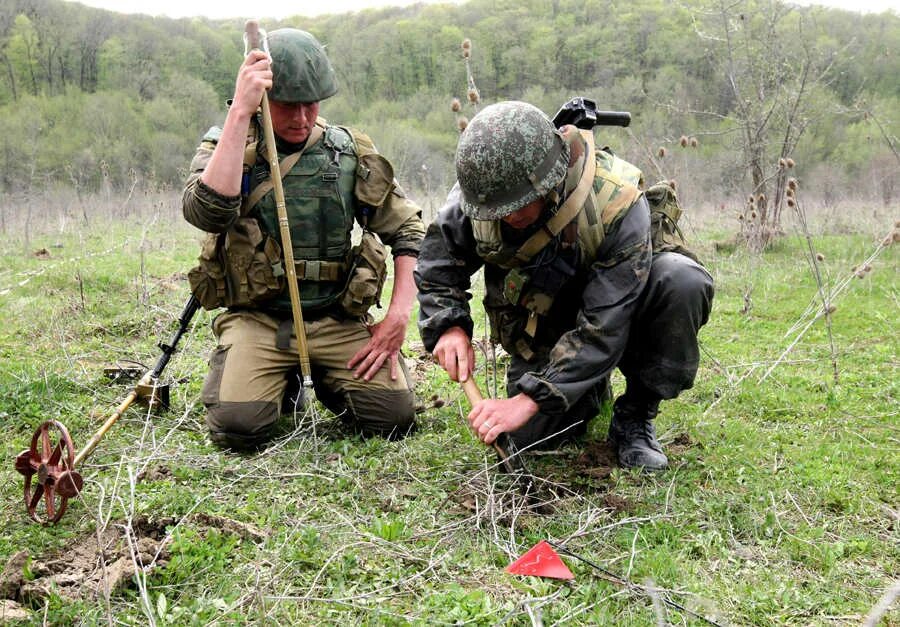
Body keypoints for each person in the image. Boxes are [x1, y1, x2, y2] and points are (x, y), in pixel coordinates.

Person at [415, 101, 713, 471]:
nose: (507, 216)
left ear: (550, 181)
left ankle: (636, 415)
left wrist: (529, 400)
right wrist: (448, 325)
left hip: (619, 315)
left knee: (681, 280)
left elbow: (605, 325)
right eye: (498, 210)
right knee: (528, 437)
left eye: (518, 205)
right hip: (547, 327)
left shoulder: (616, 204)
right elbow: (439, 263)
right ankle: (586, 388)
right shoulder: (484, 193)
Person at [183, 28, 425, 450]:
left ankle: (327, 375)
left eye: (310, 104)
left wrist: (398, 316)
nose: (301, 118)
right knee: (237, 427)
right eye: (287, 105)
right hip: (260, 319)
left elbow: (409, 232)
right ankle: (280, 379)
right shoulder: (229, 144)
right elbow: (206, 213)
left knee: (394, 418)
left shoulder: (347, 151)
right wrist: (240, 113)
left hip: (335, 319)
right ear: (262, 98)